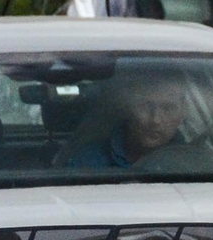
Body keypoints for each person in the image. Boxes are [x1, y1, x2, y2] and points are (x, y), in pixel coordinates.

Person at [62, 71, 196, 170]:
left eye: (168, 108)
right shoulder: (87, 164)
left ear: (182, 113)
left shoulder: (199, 165)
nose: (155, 120)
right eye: (145, 106)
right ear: (127, 109)